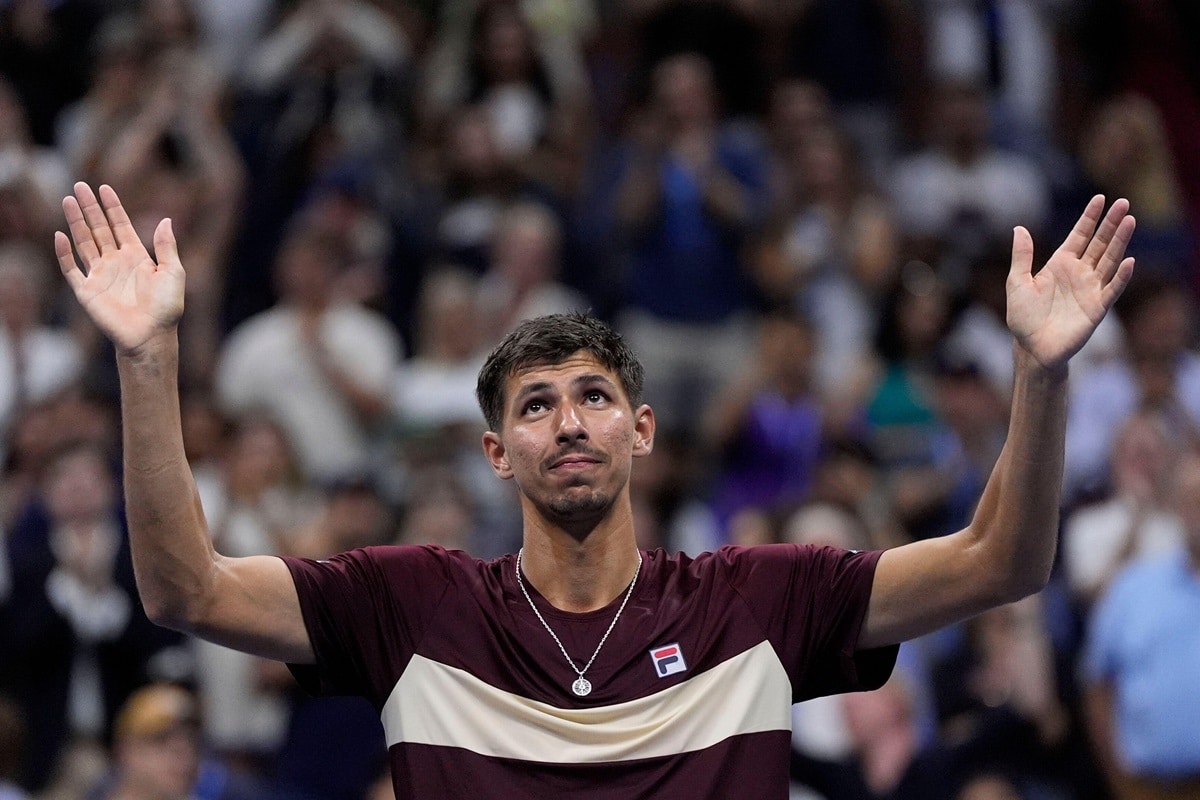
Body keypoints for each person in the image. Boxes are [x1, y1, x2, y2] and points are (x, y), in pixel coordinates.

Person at [53, 182, 1135, 798]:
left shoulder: (758, 597)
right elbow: (183, 587)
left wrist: (1041, 373)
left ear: (643, 431)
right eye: (534, 404)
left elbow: (1005, 559)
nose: (568, 418)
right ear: (495, 454)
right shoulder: (412, 602)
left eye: (592, 395)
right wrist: (148, 360)